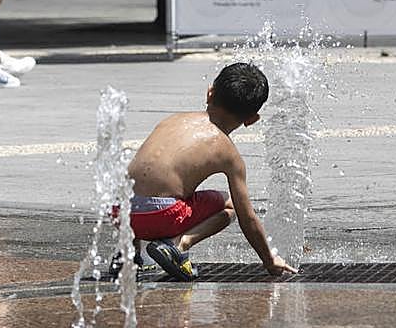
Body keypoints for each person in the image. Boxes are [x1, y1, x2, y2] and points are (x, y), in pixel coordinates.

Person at [125, 62, 297, 280]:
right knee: (230, 204)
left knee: (143, 185)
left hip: (120, 214)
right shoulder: (228, 154)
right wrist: (270, 260)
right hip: (160, 217)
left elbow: (141, 175)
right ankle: (178, 244)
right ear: (252, 120)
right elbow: (247, 218)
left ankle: (127, 255)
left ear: (209, 93)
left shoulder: (172, 120)